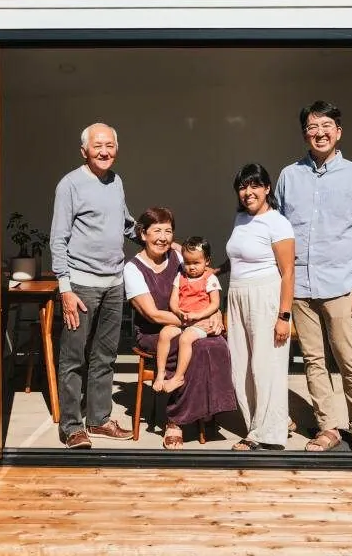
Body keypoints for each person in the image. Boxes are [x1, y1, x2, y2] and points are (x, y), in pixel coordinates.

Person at [275, 100, 352, 453]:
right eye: (311, 127)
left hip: (341, 286)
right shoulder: (289, 176)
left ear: (338, 131)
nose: (318, 133)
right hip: (301, 288)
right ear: (304, 134)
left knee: (350, 359)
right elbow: (274, 229)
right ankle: (327, 427)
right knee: (312, 361)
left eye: (325, 126)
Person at [49, 122, 138, 449]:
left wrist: (155, 237)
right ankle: (71, 426)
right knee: (74, 357)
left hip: (114, 283)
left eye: (110, 145)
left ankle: (99, 419)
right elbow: (58, 239)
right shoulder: (70, 184)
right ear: (84, 150)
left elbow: (125, 224)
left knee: (105, 355)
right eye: (98, 146)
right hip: (81, 285)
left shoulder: (116, 182)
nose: (105, 151)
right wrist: (65, 288)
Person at [124, 208, 237, 450]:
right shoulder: (133, 268)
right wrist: (193, 321)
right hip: (154, 331)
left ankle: (206, 406)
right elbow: (151, 314)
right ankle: (174, 421)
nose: (163, 237)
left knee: (214, 343)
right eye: (157, 231)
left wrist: (214, 312)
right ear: (143, 234)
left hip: (190, 321)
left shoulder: (179, 256)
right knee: (190, 345)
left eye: (168, 231)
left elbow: (205, 280)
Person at [224, 163, 295, 451]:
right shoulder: (241, 219)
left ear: (267, 188)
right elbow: (240, 257)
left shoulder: (278, 223)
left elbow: (288, 272)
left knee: (265, 367)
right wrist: (212, 271)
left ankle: (265, 434)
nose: (248, 192)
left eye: (255, 185)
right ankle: (264, 421)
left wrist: (284, 316)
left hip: (266, 297)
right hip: (237, 296)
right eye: (243, 186)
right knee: (240, 367)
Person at [152, 236, 223, 394]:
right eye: (187, 262)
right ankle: (161, 372)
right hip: (182, 320)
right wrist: (177, 311)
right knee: (164, 333)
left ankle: (178, 377)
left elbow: (214, 303)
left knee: (186, 339)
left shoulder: (210, 278)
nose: (191, 267)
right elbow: (174, 300)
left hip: (200, 323)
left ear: (207, 261)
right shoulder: (181, 276)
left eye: (196, 263)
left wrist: (199, 315)